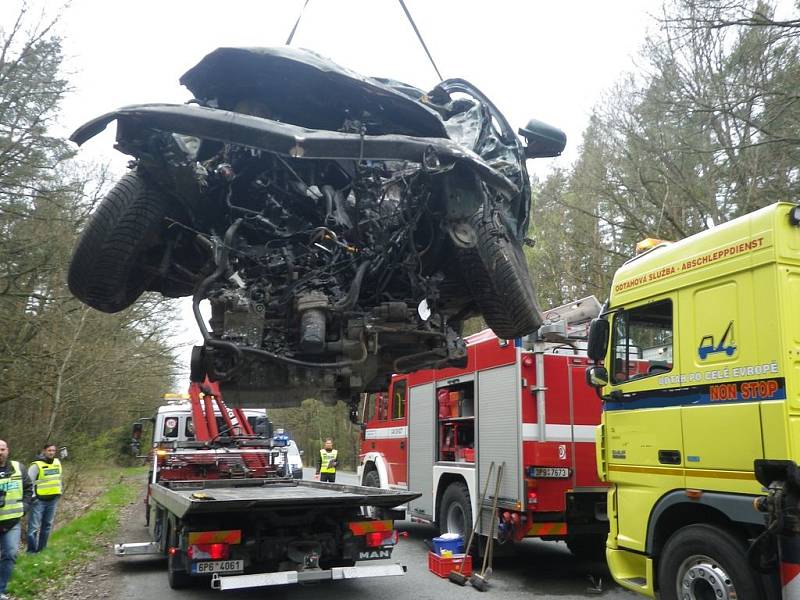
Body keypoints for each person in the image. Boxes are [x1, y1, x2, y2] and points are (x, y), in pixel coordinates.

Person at [0, 439, 33, 600]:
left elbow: (29, 489)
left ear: (7, 450)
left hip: (12, 523)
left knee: (11, 554)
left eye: (2, 449)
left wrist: (24, 507)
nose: (0, 452)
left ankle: (1, 589)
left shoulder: (18, 468)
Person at [26, 443, 62, 553]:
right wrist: (33, 498)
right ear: (44, 451)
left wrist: (60, 491)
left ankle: (42, 550)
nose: (51, 452)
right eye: (49, 450)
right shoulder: (36, 465)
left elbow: (59, 478)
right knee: (34, 528)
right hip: (39, 501)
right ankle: (31, 552)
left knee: (47, 526)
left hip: (53, 499)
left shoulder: (57, 462)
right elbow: (28, 482)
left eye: (53, 451)